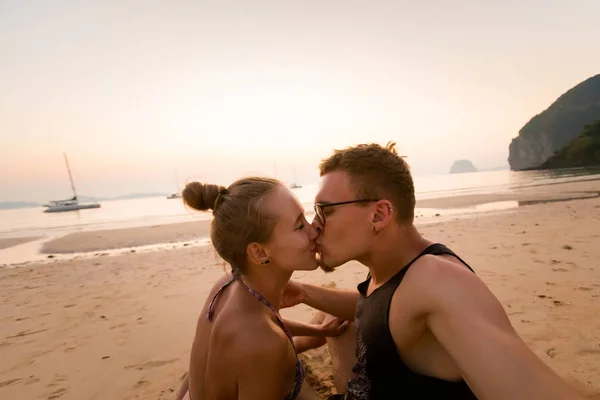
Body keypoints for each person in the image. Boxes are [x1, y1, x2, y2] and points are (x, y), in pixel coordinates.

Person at [281, 142, 585, 399]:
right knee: (332, 317)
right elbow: (380, 308)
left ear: (379, 214)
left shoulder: (438, 282)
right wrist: (305, 292)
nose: (315, 225)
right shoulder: (393, 271)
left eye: (326, 210)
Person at [176, 177, 353, 400]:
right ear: (259, 253)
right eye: (299, 226)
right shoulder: (265, 344)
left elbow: (266, 320)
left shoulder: (231, 284)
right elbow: (262, 335)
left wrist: (318, 332)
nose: (313, 231)